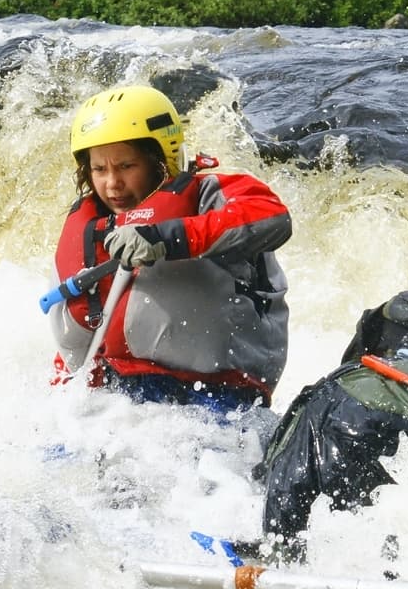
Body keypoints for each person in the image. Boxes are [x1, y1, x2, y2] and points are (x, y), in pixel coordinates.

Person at [47, 84, 291, 410]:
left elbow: (272, 217)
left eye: (126, 166)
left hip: (219, 396)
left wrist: (166, 238)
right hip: (119, 397)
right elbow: (92, 331)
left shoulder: (211, 194)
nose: (111, 183)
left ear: (160, 160)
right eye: (99, 169)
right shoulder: (91, 225)